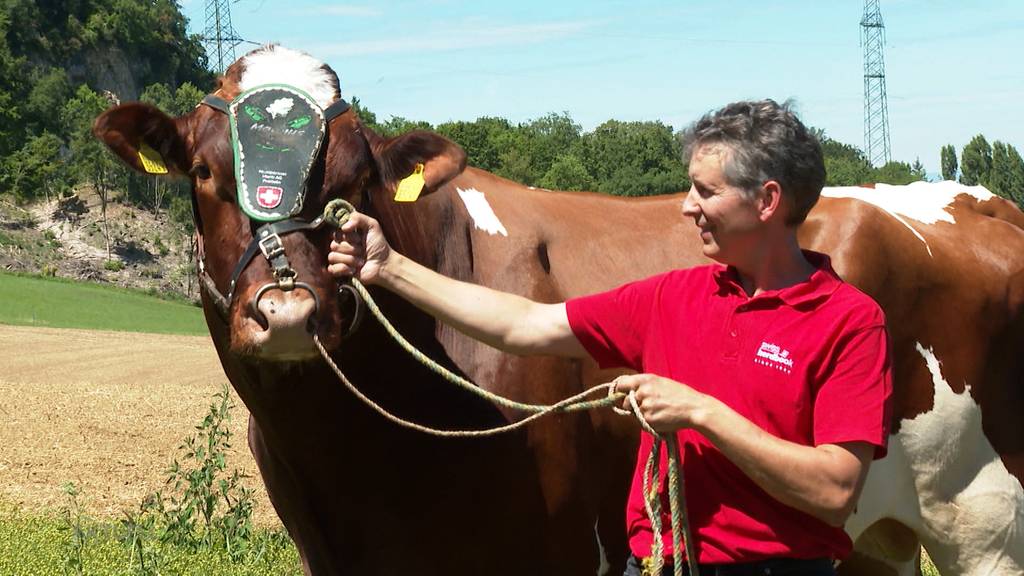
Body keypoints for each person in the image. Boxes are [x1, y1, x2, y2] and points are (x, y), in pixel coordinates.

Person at [327, 99, 893, 576]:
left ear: (767, 201)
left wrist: (701, 413)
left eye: (705, 191)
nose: (686, 205)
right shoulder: (673, 297)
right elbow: (523, 325)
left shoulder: (848, 321)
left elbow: (835, 492)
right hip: (655, 564)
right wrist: (389, 268)